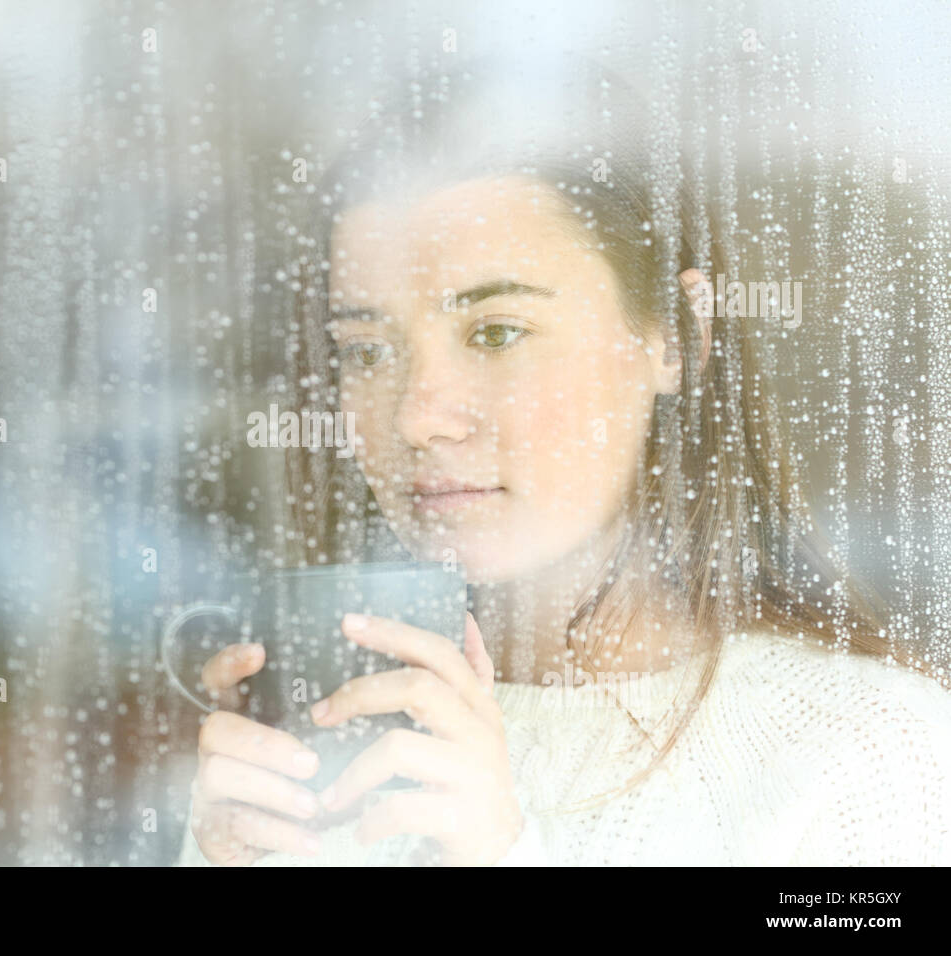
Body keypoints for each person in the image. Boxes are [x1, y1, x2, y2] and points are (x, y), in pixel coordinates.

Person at [175, 54, 951, 866]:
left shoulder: (871, 760)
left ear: (676, 339)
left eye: (497, 332)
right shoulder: (318, 744)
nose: (416, 417)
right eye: (366, 350)